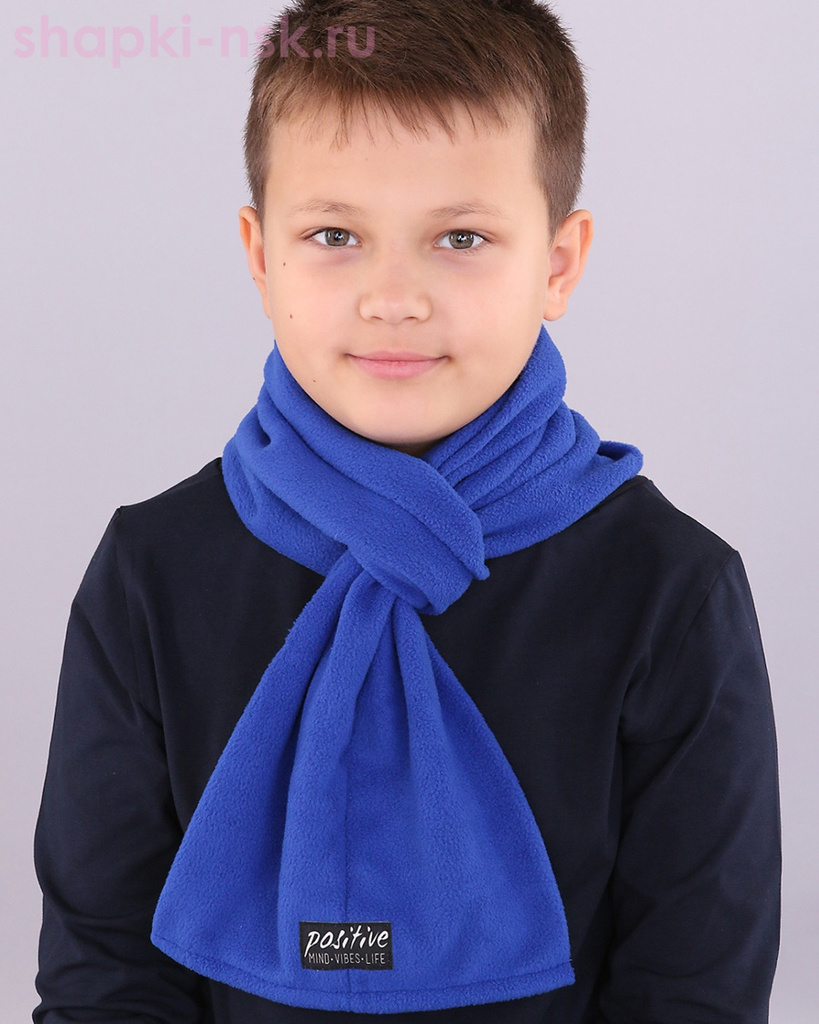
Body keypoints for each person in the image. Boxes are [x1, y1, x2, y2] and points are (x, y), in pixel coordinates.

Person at [32, 1, 781, 1021]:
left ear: (558, 264)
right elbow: (107, 973)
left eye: (460, 237)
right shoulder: (151, 570)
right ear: (260, 254)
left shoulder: (670, 589)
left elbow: (693, 990)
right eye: (334, 234)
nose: (393, 297)